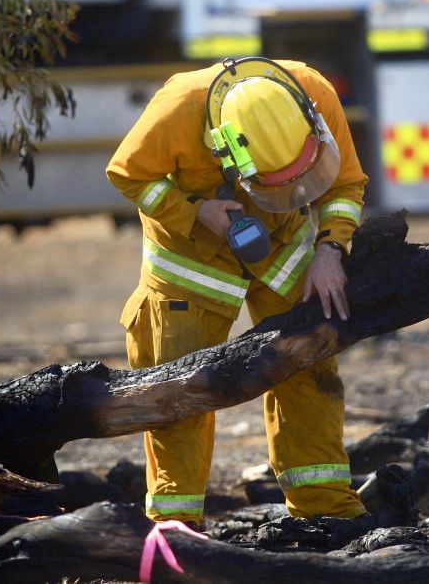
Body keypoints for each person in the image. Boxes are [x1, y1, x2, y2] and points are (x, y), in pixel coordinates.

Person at [106, 57, 369, 525]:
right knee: (178, 392)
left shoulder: (315, 91)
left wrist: (331, 249)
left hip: (282, 248)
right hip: (191, 260)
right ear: (226, 152)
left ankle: (327, 512)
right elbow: (129, 174)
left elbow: (346, 184)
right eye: (278, 182)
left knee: (307, 367)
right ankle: (175, 531)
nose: (294, 189)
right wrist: (194, 211)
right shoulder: (177, 108)